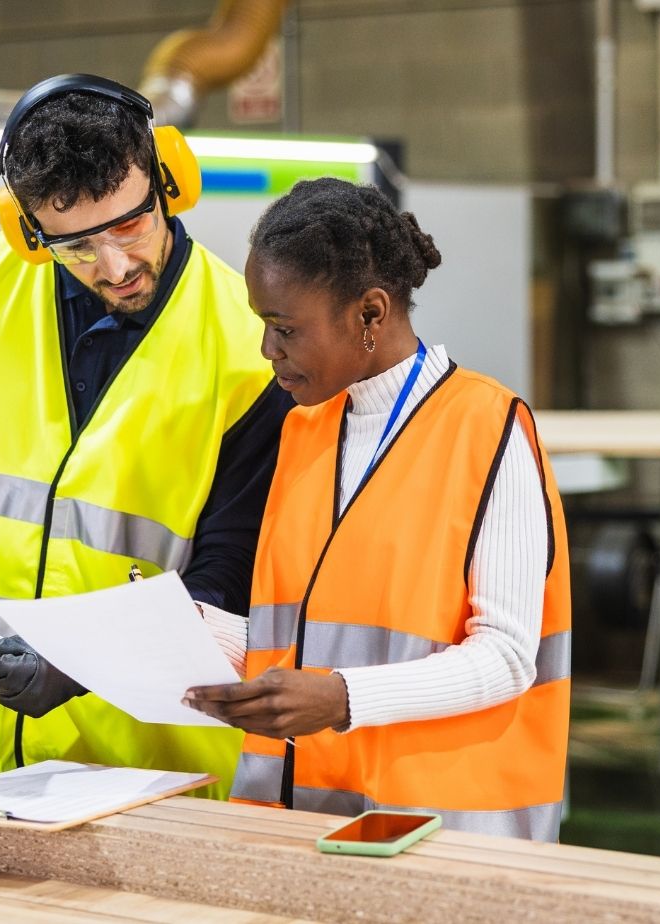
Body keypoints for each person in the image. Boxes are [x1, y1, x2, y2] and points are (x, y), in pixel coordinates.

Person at [0, 74, 290, 795]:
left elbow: (227, 583)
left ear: (170, 182)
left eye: (131, 225)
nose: (116, 265)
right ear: (29, 230)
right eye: (77, 245)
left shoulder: (247, 345)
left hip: (149, 776)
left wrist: (78, 669)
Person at [184, 179, 572, 842]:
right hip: (307, 820)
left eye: (285, 329)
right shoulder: (304, 431)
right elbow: (306, 633)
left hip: (442, 832)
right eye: (264, 326)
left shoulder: (487, 427)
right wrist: (186, 634)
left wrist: (342, 699)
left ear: (370, 313)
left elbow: (509, 656)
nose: (268, 350)